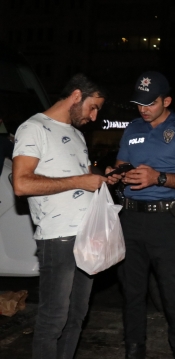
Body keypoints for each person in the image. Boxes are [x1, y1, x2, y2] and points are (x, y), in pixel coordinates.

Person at [106, 71, 175, 359]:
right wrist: (116, 176)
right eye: (139, 103)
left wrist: (158, 178)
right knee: (132, 294)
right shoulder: (133, 128)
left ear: (167, 101)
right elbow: (121, 164)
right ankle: (134, 350)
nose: (143, 109)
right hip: (131, 220)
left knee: (172, 295)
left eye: (150, 103)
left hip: (167, 222)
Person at [12, 74, 107, 359]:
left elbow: (76, 177)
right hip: (58, 237)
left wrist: (99, 178)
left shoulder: (77, 135)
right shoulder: (33, 128)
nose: (93, 116)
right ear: (77, 95)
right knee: (53, 318)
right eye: (93, 107)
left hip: (86, 235)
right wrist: (81, 181)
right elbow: (22, 184)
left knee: (78, 315)